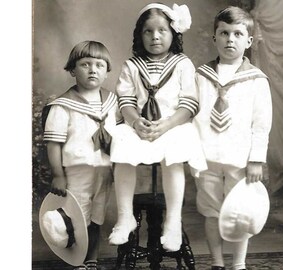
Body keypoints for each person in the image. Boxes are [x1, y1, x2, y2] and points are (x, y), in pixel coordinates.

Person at [108, 3, 207, 252]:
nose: (155, 36)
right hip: (140, 124)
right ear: (139, 36)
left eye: (162, 30)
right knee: (121, 145)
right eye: (148, 31)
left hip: (173, 124)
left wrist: (167, 125)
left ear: (173, 34)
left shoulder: (182, 63)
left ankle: (172, 221)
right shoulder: (132, 65)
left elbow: (189, 103)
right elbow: (126, 101)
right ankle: (125, 216)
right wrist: (134, 121)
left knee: (173, 156)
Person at [193, 6, 272, 270]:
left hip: (240, 158)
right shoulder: (201, 76)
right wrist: (193, 154)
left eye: (238, 34)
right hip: (207, 156)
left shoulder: (256, 80)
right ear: (214, 38)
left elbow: (261, 124)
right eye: (224, 33)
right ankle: (217, 263)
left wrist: (256, 160)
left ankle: (238, 264)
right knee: (211, 212)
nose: (230, 39)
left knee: (241, 213)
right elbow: (192, 115)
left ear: (249, 41)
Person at [43, 40, 120, 270]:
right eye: (85, 64)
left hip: (104, 169)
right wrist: (58, 174)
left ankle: (91, 260)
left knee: (97, 216)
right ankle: (77, 261)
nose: (93, 69)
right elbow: (53, 143)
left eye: (99, 64)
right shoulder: (63, 106)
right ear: (73, 70)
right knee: (77, 216)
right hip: (76, 170)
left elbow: (121, 135)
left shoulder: (113, 102)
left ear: (107, 71)